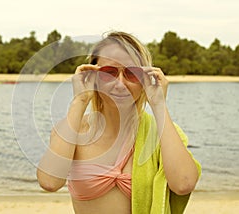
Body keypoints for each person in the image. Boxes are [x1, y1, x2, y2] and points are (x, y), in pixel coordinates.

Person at [37, 31, 201, 214]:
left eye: (132, 73)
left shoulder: (162, 134)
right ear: (93, 77)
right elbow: (49, 182)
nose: (120, 83)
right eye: (109, 73)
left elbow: (184, 184)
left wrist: (159, 104)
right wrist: (80, 101)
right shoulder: (72, 130)